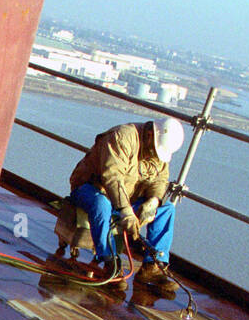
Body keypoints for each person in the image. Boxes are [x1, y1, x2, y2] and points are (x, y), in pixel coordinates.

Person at [67, 117, 185, 287]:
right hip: (92, 188)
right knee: (102, 205)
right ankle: (110, 261)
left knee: (166, 209)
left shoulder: (158, 149)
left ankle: (152, 266)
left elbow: (160, 179)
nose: (155, 155)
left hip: (126, 197)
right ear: (150, 134)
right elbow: (111, 177)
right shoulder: (122, 137)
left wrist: (153, 201)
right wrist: (126, 210)